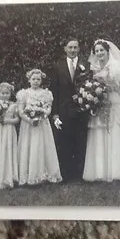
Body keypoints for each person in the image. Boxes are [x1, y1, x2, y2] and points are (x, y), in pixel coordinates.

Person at [83, 39, 120, 182]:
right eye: (97, 51)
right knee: (100, 133)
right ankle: (100, 172)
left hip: (115, 102)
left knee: (115, 132)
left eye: (102, 50)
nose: (99, 53)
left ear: (108, 52)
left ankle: (117, 172)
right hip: (100, 104)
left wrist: (108, 87)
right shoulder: (94, 68)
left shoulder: (115, 66)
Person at [50, 38, 89, 182]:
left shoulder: (86, 65)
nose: (73, 50)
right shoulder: (57, 66)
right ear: (65, 49)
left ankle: (79, 175)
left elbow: (89, 86)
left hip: (81, 109)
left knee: (80, 141)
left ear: (79, 49)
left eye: (75, 47)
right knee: (64, 142)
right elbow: (54, 90)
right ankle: (65, 174)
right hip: (63, 110)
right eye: (70, 47)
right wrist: (54, 114)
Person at [16, 69, 62, 185]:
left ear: (41, 80)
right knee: (29, 147)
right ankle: (28, 175)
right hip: (28, 125)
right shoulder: (24, 94)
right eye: (33, 79)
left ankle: (44, 174)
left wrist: (42, 115)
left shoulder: (46, 93)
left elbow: (48, 109)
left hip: (42, 125)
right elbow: (21, 111)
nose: (36, 81)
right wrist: (30, 120)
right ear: (29, 80)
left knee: (42, 146)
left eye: (38, 79)